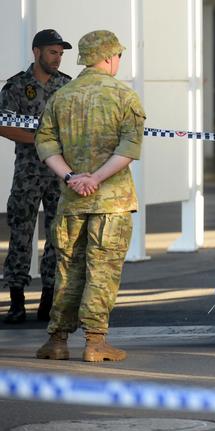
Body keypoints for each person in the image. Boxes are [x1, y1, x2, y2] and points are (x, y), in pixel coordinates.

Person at [34, 30, 146, 361]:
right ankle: (96, 343)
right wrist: (96, 178)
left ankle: (56, 341)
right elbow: (129, 148)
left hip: (71, 200)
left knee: (67, 271)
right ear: (110, 57)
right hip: (111, 202)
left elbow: (45, 144)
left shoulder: (61, 96)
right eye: (118, 56)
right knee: (103, 270)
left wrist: (71, 177)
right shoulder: (124, 96)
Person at [0, 29, 72, 324]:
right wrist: (41, 140)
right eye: (52, 52)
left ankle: (48, 300)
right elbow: (3, 125)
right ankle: (16, 300)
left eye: (60, 54)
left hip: (59, 175)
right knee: (21, 234)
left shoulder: (67, 86)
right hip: (28, 174)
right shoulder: (16, 86)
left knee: (58, 236)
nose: (57, 58)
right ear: (37, 52)